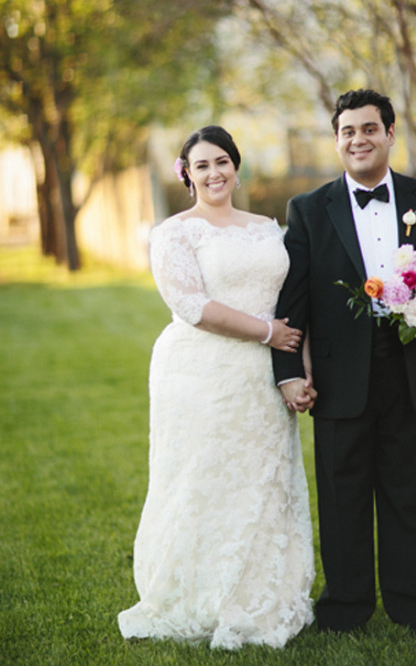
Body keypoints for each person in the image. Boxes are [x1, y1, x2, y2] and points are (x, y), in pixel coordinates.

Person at [118, 125, 315, 650]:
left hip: (261, 376)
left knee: (261, 481)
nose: (214, 172)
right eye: (202, 165)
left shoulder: (268, 227)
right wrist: (267, 332)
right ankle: (200, 595)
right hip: (201, 373)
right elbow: (190, 305)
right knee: (202, 478)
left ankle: (264, 592)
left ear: (236, 165)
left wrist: (296, 362)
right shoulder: (175, 233)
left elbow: (291, 300)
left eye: (222, 161)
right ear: (187, 174)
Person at [272, 88, 416, 636]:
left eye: (369, 128)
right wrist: (288, 372)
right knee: (342, 493)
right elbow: (294, 299)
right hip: (338, 375)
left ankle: (412, 604)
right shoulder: (308, 210)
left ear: (390, 134)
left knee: (410, 492)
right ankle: (346, 607)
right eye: (348, 131)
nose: (359, 139)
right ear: (336, 141)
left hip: (412, 370)